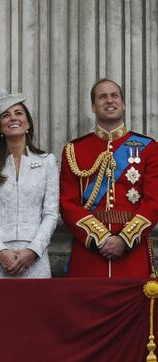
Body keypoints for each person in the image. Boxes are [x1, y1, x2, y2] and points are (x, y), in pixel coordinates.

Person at [60, 79, 158, 278]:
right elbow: (67, 203)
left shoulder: (149, 148)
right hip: (89, 253)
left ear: (122, 103)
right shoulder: (74, 150)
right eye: (102, 97)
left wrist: (124, 239)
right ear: (93, 106)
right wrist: (100, 238)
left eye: (114, 96)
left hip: (132, 252)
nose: (109, 100)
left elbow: (153, 202)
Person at [0, 92, 59, 278]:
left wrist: (33, 251)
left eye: (19, 113)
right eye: (6, 115)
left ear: (27, 123)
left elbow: (51, 213)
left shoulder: (47, 162)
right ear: (0, 128)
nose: (13, 118)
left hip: (35, 259)